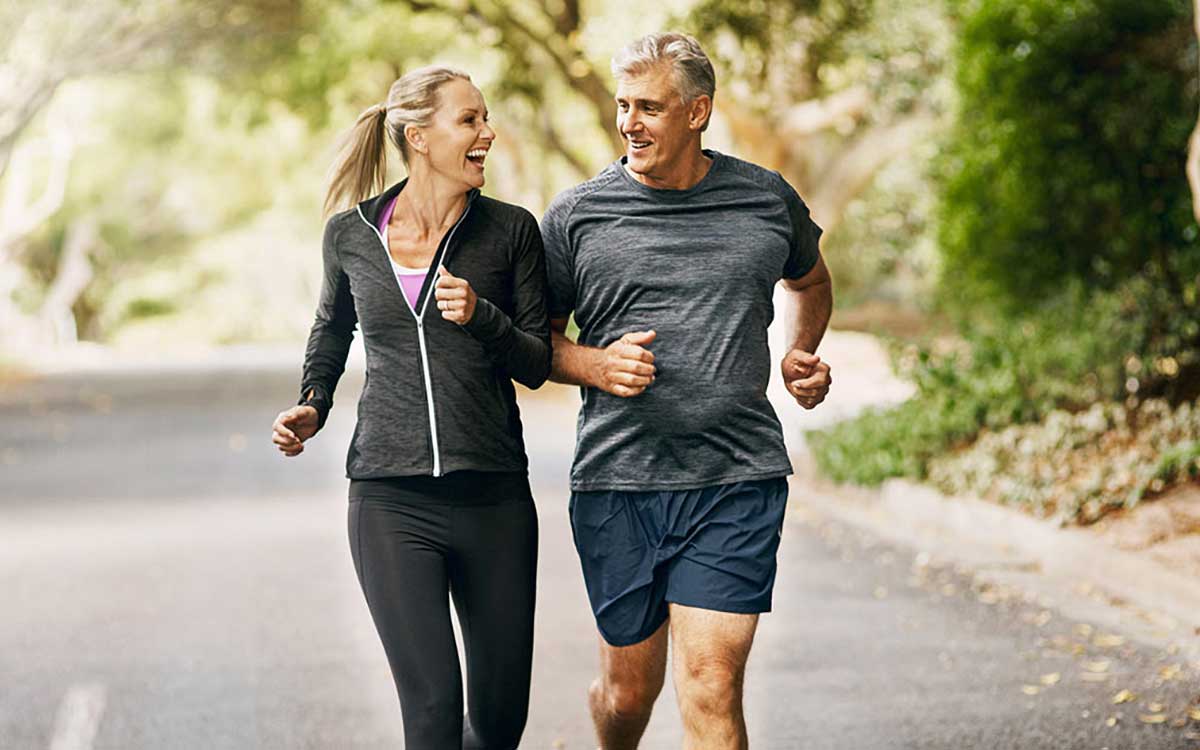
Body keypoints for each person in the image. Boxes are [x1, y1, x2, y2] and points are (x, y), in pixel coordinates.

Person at [541, 33, 834, 750]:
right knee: (627, 693)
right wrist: (595, 365)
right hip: (619, 482)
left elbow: (812, 281)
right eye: (622, 106)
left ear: (697, 111)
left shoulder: (764, 199)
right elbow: (538, 342)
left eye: (649, 107)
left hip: (736, 477)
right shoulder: (577, 215)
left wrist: (801, 350)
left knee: (709, 683)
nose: (629, 123)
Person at [270, 66, 550, 750]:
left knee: (497, 724)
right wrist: (314, 403)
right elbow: (331, 330)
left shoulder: (511, 232)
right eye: (470, 121)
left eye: (484, 119)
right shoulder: (351, 235)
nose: (487, 133)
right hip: (390, 501)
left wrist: (483, 318)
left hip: (494, 499)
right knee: (430, 716)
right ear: (419, 137)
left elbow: (539, 361)